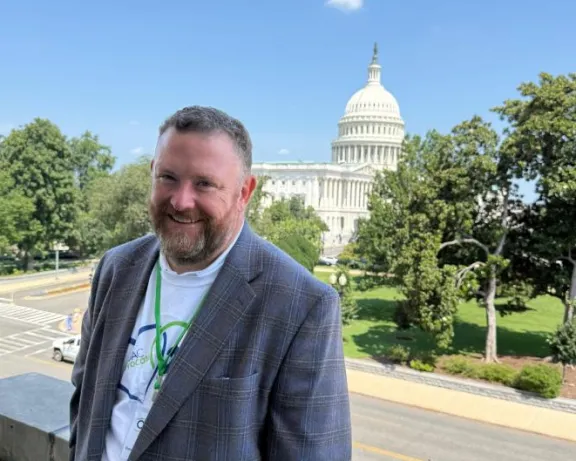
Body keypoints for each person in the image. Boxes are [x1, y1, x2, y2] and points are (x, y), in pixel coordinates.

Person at [69, 106, 352, 461]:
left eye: (204, 183)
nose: (181, 201)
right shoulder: (116, 268)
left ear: (244, 192)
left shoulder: (302, 306)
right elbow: (85, 391)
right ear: (152, 173)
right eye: (168, 177)